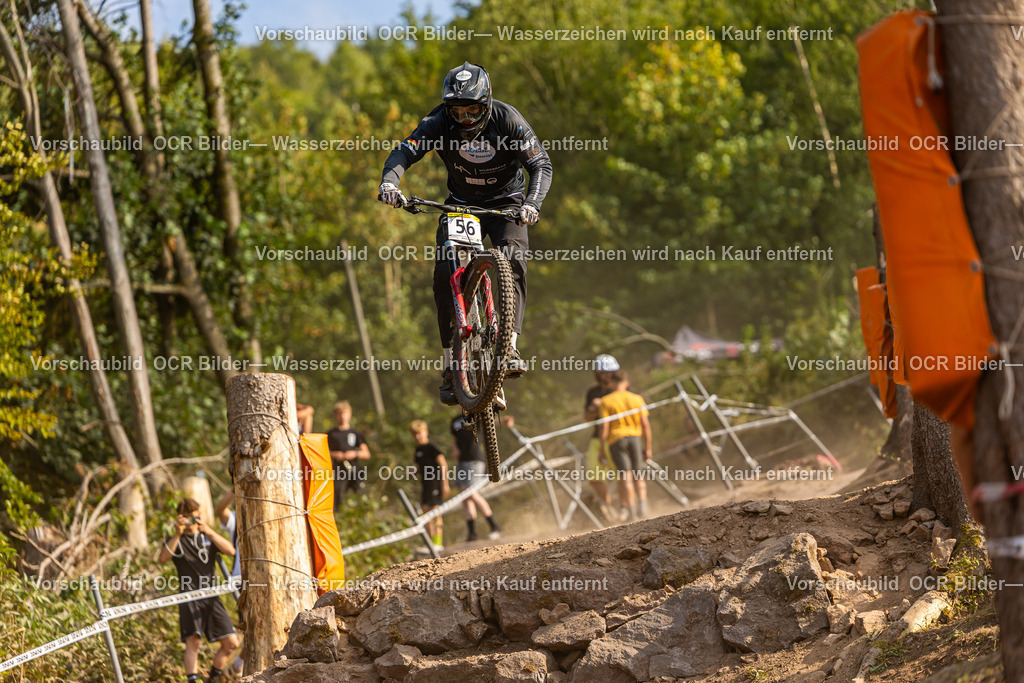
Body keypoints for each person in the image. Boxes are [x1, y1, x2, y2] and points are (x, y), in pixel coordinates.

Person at [378, 61, 554, 404]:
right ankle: (450, 366)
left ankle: (511, 348)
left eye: (473, 110)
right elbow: (405, 149)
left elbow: (540, 163)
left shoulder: (508, 120)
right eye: (458, 112)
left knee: (514, 260)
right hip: (459, 204)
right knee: (445, 274)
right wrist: (390, 181)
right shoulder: (438, 122)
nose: (466, 119)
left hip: (508, 204)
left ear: (487, 104)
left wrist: (533, 203)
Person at [158, 498, 240, 683]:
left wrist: (209, 531)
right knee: (193, 641)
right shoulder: (177, 540)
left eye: (194, 516)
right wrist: (177, 534)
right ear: (180, 519)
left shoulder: (207, 537)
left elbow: (231, 551)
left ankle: (213, 678)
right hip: (189, 597)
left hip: (212, 596)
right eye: (187, 518)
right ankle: (192, 680)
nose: (191, 521)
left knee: (232, 643)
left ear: (200, 515)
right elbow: (163, 558)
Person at [598, 371, 653, 522]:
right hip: (635, 438)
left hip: (617, 440)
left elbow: (604, 427)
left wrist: (602, 449)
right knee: (638, 475)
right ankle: (643, 508)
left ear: (612, 383)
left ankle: (633, 513)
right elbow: (646, 425)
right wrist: (648, 447)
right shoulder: (637, 399)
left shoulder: (606, 401)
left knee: (626, 476)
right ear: (626, 383)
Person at [451, 412, 502, 541]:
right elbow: (454, 438)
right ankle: (472, 533)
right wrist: (455, 448)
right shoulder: (455, 420)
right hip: (462, 461)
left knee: (471, 493)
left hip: (474, 459)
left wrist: (505, 420)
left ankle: (495, 526)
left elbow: (489, 421)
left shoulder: (475, 415)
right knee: (465, 495)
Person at [584, 354, 619, 522]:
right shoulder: (592, 392)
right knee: (594, 476)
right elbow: (587, 417)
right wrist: (593, 407)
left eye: (607, 372)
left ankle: (630, 507)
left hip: (617, 436)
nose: (604, 375)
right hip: (597, 438)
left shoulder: (620, 390)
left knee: (624, 474)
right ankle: (609, 506)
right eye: (600, 372)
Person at [410, 420, 450, 551]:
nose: (418, 436)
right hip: (425, 485)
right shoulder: (418, 450)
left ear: (426, 432)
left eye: (420, 433)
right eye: (415, 434)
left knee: (435, 512)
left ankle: (438, 542)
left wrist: (445, 484)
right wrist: (414, 472)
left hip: (435, 483)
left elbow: (443, 464)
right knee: (426, 511)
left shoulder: (432, 447)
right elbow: (422, 467)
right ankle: (430, 542)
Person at [327, 401, 371, 508]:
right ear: (335, 415)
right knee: (337, 497)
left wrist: (354, 453)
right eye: (339, 413)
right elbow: (323, 452)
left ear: (350, 414)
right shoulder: (331, 434)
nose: (342, 416)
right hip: (338, 471)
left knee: (361, 496)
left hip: (354, 469)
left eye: (345, 413)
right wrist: (334, 455)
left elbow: (366, 453)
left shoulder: (356, 433)